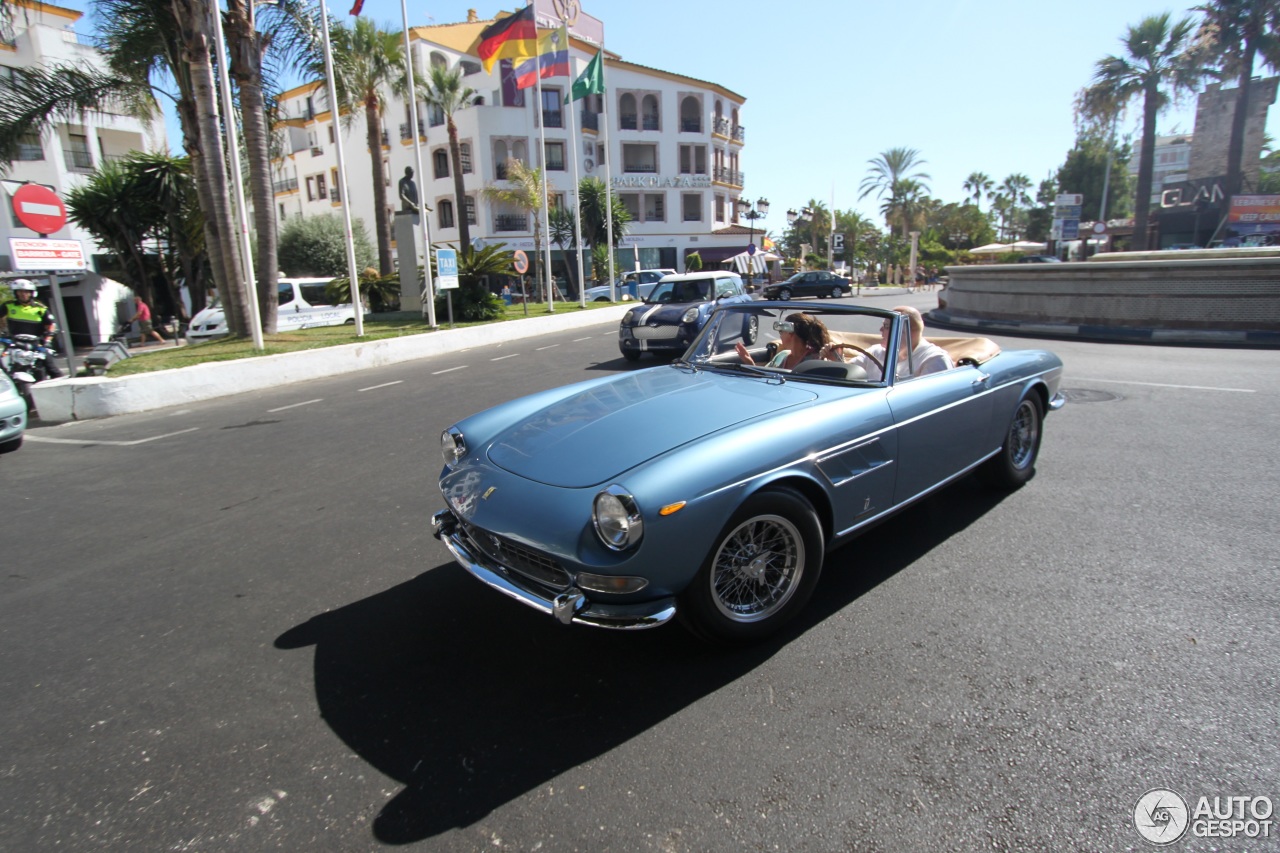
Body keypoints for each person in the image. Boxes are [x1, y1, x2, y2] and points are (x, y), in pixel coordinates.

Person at [847, 305, 953, 381]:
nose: (881, 330)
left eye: (886, 326)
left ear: (908, 331)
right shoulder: (875, 351)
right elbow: (848, 372)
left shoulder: (934, 359)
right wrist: (835, 357)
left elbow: (928, 401)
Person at [736, 312, 844, 370]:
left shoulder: (816, 359)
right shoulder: (782, 356)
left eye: (781, 332)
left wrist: (835, 357)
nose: (780, 335)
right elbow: (766, 380)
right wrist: (750, 363)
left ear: (791, 333)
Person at [1, 279, 63, 377]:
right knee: (2, 360)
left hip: (36, 342)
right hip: (15, 341)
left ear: (32, 293)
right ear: (15, 293)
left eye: (26, 292)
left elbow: (51, 325)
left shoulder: (40, 308)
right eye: (20, 291)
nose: (23, 294)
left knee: (51, 367)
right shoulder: (8, 305)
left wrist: (47, 341)